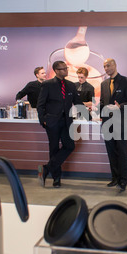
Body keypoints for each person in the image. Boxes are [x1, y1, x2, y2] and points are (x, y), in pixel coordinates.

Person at [37, 60, 82, 188]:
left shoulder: (71, 85)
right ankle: (56, 179)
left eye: (66, 68)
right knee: (54, 149)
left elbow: (77, 102)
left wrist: (90, 116)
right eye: (63, 69)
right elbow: (40, 104)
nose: (66, 70)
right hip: (52, 122)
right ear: (56, 71)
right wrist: (43, 120)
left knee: (70, 146)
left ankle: (46, 168)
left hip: (67, 121)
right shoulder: (47, 85)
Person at [100, 58, 127, 193]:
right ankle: (114, 177)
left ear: (115, 65)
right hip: (107, 122)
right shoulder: (103, 84)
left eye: (108, 65)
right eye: (104, 66)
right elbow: (102, 102)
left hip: (120, 121)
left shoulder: (126, 81)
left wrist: (120, 106)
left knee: (122, 151)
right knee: (111, 151)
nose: (106, 68)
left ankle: (123, 180)